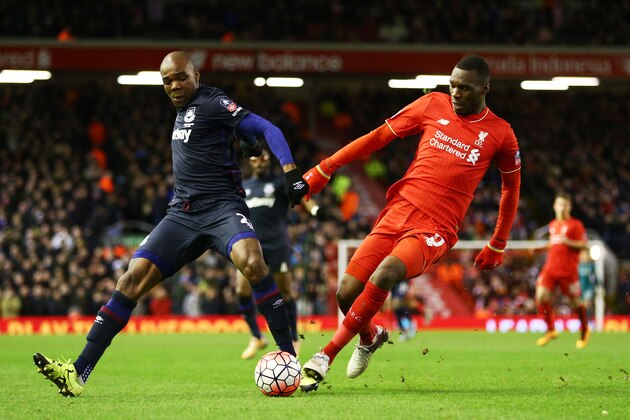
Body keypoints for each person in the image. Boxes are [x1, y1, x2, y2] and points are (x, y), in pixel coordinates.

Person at [33, 50, 309, 397]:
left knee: (253, 262)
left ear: (196, 74)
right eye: (167, 80)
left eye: (180, 77)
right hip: (181, 214)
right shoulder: (183, 112)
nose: (174, 85)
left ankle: (290, 359)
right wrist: (249, 145)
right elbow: (238, 136)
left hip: (223, 208)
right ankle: (78, 372)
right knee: (131, 279)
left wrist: (290, 173)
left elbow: (267, 127)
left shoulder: (212, 101)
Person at [298, 55, 522, 391]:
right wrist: (325, 167)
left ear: (485, 89)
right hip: (398, 210)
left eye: (466, 88)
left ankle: (325, 355)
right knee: (346, 292)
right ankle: (371, 337)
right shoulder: (432, 104)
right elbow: (376, 138)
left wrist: (498, 241)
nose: (457, 93)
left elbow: (511, 189)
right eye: (453, 85)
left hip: (436, 226)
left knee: (385, 273)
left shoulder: (501, 134)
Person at [237, 147, 325, 359]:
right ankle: (256, 336)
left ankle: (294, 338)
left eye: (263, 157)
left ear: (268, 161)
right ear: (250, 162)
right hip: (251, 247)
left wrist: (315, 211)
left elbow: (303, 196)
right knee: (241, 291)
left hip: (276, 245)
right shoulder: (243, 187)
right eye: (255, 158)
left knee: (285, 293)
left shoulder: (279, 183)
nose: (259, 161)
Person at [535, 192, 590, 349]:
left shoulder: (575, 225)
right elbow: (555, 245)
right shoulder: (553, 225)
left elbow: (584, 245)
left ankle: (585, 331)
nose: (562, 208)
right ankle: (551, 330)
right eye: (559, 204)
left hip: (568, 271)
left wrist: (569, 241)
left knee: (576, 303)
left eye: (565, 205)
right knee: (541, 296)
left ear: (569, 207)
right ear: (554, 206)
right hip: (550, 269)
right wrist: (541, 249)